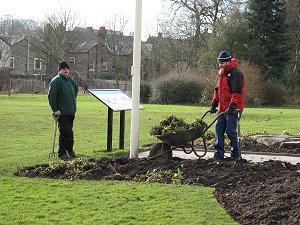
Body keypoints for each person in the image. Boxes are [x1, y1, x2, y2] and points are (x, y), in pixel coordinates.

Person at [209, 51, 245, 160]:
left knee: (230, 131)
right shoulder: (221, 73)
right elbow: (217, 90)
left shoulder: (236, 73)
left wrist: (232, 106)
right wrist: (214, 104)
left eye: (223, 62)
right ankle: (218, 154)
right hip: (222, 108)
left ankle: (235, 154)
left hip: (233, 108)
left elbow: (237, 92)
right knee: (218, 130)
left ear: (229, 62)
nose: (220, 64)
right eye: (219, 62)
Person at [48, 61, 78, 160]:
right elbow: (51, 96)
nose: (66, 70)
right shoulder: (56, 81)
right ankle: (70, 149)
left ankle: (62, 153)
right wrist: (55, 109)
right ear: (59, 70)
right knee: (67, 133)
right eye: (63, 68)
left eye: (67, 68)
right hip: (61, 113)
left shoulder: (71, 81)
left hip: (71, 111)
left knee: (63, 134)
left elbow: (75, 91)